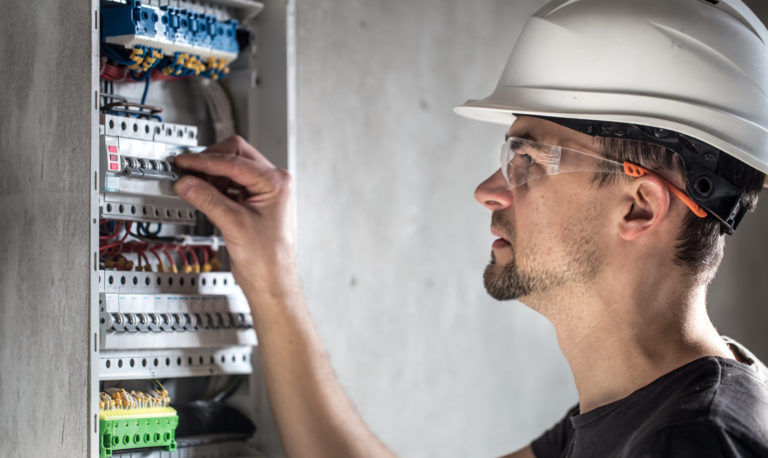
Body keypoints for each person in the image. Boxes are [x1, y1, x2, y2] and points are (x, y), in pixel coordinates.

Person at [171, 0, 768, 456]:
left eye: (528, 162)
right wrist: (271, 279)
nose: (490, 190)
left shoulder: (696, 441)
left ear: (639, 207)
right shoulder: (638, 410)